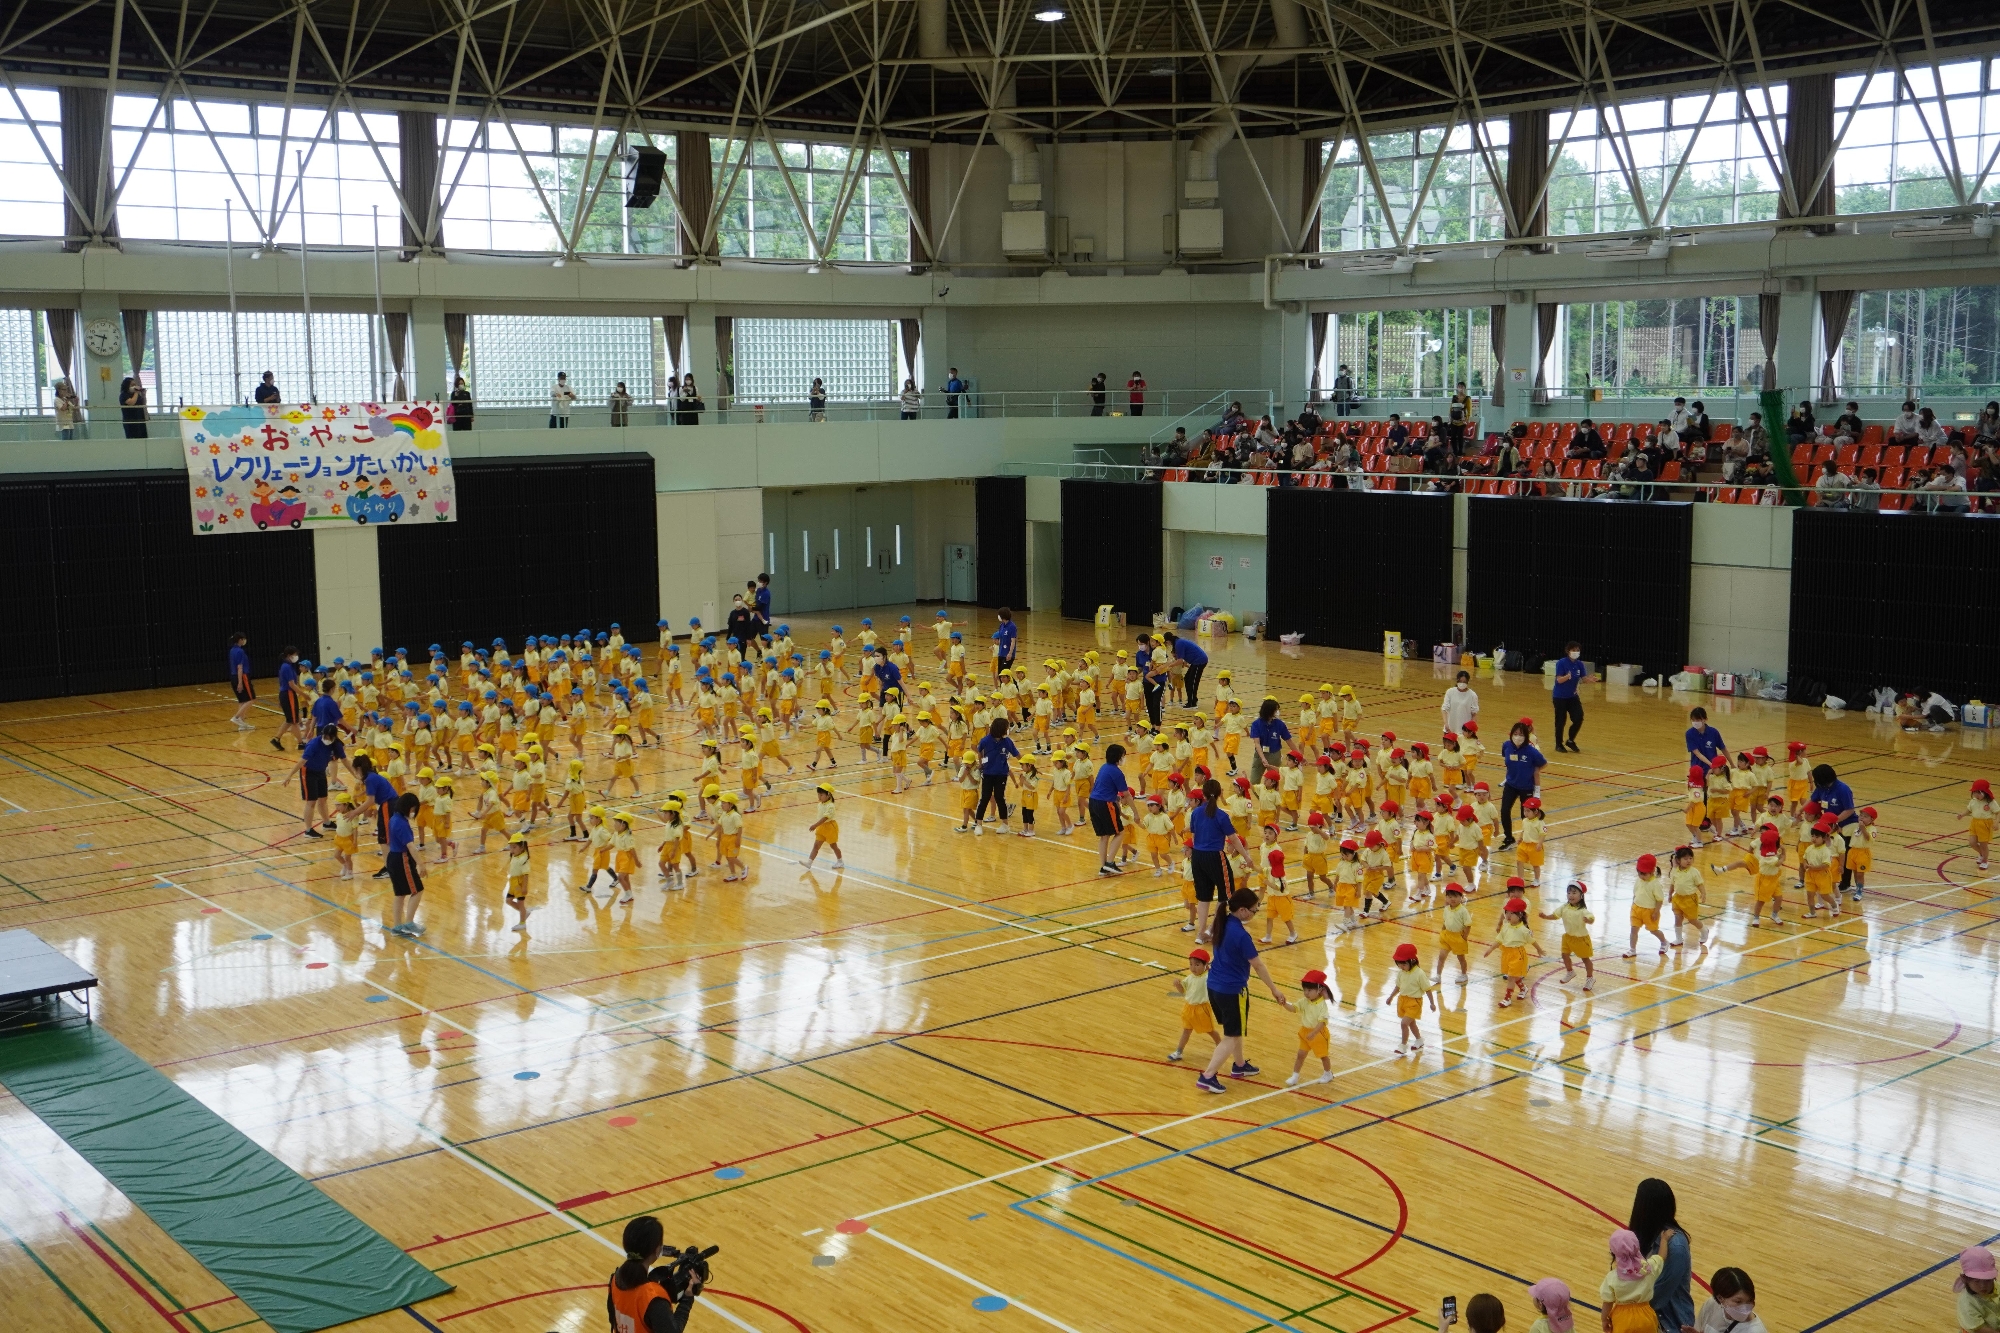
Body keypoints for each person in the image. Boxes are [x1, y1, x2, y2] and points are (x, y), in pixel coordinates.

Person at [1194, 886, 1292, 1093]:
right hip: (1232, 991)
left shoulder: (1222, 923)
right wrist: (1274, 990)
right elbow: (1258, 965)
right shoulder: (1240, 935)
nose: (1256, 913)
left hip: (1214, 987)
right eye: (1255, 910)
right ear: (1243, 911)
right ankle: (1208, 1076)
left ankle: (1239, 1066)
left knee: (1234, 1031)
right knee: (1231, 1035)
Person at [607, 1216, 702, 1333]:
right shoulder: (653, 1297)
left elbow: (613, 1320)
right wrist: (687, 1298)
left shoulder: (615, 1279)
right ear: (657, 1250)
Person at [1628, 1177, 1694, 1333]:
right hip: (1647, 1314)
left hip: (1671, 1323)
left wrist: (1628, 1309)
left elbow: (1660, 1291)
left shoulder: (1675, 1245)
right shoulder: (1644, 1233)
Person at [1187, 778, 1250, 941]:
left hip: (1197, 857)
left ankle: (1200, 934)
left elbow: (1193, 836)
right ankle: (1211, 929)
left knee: (1203, 897)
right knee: (1225, 895)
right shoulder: (1222, 815)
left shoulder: (1195, 813)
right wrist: (1246, 856)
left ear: (1204, 794)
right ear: (1220, 793)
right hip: (1215, 856)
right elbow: (1234, 840)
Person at [1496, 719, 1547, 847]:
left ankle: (1525, 838)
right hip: (1511, 784)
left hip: (1527, 787)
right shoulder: (1507, 746)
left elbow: (1544, 763)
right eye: (1515, 733)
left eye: (1521, 734)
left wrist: (1535, 771)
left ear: (1526, 736)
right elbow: (1505, 757)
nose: (1517, 737)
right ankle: (1508, 837)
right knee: (1504, 810)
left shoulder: (1532, 751)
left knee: (1524, 814)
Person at [1089, 741, 1136, 875]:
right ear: (1118, 757)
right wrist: (1136, 813)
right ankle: (1110, 862)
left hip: (1093, 802)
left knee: (1104, 836)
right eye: (1123, 755)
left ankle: (1103, 866)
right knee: (1120, 832)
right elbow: (1127, 794)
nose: (1124, 758)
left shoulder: (1103, 767)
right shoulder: (1117, 772)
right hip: (1105, 804)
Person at [384, 790, 426, 936]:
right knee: (417, 890)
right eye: (414, 809)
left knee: (400, 894)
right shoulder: (401, 823)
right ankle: (408, 923)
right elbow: (410, 846)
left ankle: (397, 927)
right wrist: (421, 864)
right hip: (403, 859)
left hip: (392, 858)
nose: (414, 812)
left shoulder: (394, 818)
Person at [972, 717, 1021, 835]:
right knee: (984, 798)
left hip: (1002, 774)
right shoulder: (985, 740)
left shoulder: (1007, 741)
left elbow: (1017, 755)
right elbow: (980, 752)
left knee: (1000, 797)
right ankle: (978, 824)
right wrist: (982, 764)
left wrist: (1029, 766)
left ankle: (1005, 824)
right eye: (1006, 728)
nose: (1008, 730)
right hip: (988, 774)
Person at [295, 723, 340, 837]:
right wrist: (289, 776)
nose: (327, 739)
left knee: (323, 799)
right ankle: (308, 830)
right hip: (308, 772)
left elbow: (344, 759)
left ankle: (327, 822)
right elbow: (301, 762)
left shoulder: (334, 744)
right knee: (311, 801)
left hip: (320, 771)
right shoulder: (314, 744)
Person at [1689, 1267, 1766, 1333]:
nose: (1745, 1308)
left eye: (1749, 1301)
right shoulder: (1711, 1304)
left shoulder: (1756, 1330)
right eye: (1738, 1301)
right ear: (1720, 1298)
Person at [1552, 642, 1593, 751]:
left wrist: (1590, 680)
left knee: (1578, 717)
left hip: (1572, 696)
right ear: (1568, 651)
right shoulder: (1561, 663)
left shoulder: (1579, 664)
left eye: (1577, 650)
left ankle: (1570, 740)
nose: (1576, 652)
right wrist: (1567, 676)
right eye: (1573, 650)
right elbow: (1559, 680)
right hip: (1560, 697)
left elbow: (1583, 679)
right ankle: (1558, 744)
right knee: (1561, 721)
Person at [1247, 697, 1290, 786]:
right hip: (1259, 755)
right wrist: (1262, 758)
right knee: (1254, 783)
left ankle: (1270, 799)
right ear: (1270, 711)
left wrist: (1298, 755)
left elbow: (1289, 740)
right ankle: (1262, 799)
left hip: (1274, 755)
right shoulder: (1256, 724)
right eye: (1276, 710)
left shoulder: (1279, 724)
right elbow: (1257, 743)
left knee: (1272, 783)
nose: (1277, 712)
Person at [1955, 1247, 1999, 1333]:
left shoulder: (1997, 1286)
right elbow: (1979, 1329)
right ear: (1964, 1279)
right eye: (1977, 1281)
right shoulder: (1967, 1303)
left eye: (1988, 1280)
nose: (1983, 1286)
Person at [1163, 630, 1208, 707]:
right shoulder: (1178, 642)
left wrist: (1170, 665)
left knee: (1193, 682)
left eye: (1166, 643)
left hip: (1199, 661)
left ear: (1168, 641)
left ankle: (1192, 703)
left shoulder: (1179, 644)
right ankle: (1192, 699)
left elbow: (1180, 661)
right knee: (1187, 679)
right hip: (1195, 662)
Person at [271, 645, 303, 750]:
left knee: (290, 719)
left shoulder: (285, 666)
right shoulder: (287, 667)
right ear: (289, 655)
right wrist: (304, 694)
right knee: (294, 720)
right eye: (295, 654)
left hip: (285, 694)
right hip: (288, 694)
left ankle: (276, 739)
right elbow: (291, 684)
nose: (296, 656)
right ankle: (301, 743)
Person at [226, 631, 256, 730]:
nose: (245, 641)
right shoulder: (240, 651)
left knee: (242, 700)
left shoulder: (232, 650)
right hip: (242, 677)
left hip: (233, 676)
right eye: (243, 639)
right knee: (251, 699)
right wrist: (240, 682)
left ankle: (241, 725)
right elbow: (240, 667)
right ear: (240, 640)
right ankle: (237, 717)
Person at [1442, 670, 1480, 734]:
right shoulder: (1450, 692)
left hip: (1464, 732)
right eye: (1460, 681)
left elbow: (1474, 714)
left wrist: (1470, 729)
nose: (1462, 683)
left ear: (1468, 682)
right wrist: (1446, 724)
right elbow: (1444, 709)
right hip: (1450, 729)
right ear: (1457, 680)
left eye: (1464, 682)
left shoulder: (1472, 695)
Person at [120, 375, 147, 439]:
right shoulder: (124, 395)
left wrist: (143, 395)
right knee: (133, 437)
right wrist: (136, 392)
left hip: (140, 418)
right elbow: (132, 403)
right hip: (130, 420)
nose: (134, 386)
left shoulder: (136, 395)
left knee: (142, 437)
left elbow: (143, 403)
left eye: (135, 384)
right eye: (132, 385)